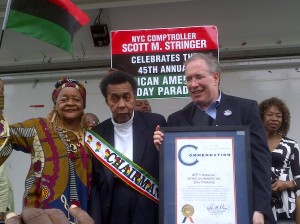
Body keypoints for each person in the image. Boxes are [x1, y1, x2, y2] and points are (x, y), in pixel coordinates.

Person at [153, 53, 274, 224]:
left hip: (241, 214)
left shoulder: (245, 109)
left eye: (199, 77)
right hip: (194, 216)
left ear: (215, 77)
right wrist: (165, 151)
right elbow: (176, 177)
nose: (193, 84)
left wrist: (260, 209)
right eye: (188, 79)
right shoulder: (176, 120)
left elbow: (260, 162)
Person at [0, 78, 92, 223]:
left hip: (82, 214)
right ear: (56, 104)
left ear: (83, 105)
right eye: (64, 99)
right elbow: (7, 136)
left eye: (76, 99)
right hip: (39, 214)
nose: (70, 103)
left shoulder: (92, 138)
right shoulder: (39, 127)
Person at [88, 70, 167, 224]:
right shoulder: (97, 134)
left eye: (127, 97)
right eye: (115, 98)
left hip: (149, 203)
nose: (122, 104)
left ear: (134, 97)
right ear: (107, 101)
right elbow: (96, 183)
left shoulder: (155, 123)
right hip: (113, 205)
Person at [259, 97, 300, 223]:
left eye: (279, 116)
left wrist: (286, 184)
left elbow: (299, 177)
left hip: (285, 206)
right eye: (270, 114)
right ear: (261, 117)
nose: (275, 119)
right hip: (260, 205)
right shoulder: (253, 143)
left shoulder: (291, 145)